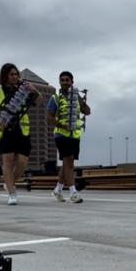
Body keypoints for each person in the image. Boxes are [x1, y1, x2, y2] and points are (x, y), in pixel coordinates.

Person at [0, 63, 36, 205]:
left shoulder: (24, 89)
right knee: (7, 161)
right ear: (5, 76)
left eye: (16, 74)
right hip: (6, 130)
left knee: (22, 162)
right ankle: (12, 193)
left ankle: (10, 183)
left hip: (22, 130)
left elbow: (39, 102)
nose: (15, 76)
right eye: (11, 74)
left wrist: (34, 91)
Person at [46, 71, 91, 203]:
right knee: (69, 161)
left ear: (72, 82)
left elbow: (87, 112)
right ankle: (73, 192)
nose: (65, 82)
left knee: (67, 163)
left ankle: (57, 190)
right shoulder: (55, 97)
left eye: (67, 80)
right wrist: (61, 125)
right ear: (59, 82)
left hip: (75, 135)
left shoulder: (76, 96)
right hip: (61, 134)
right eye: (62, 80)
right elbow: (49, 117)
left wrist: (82, 102)